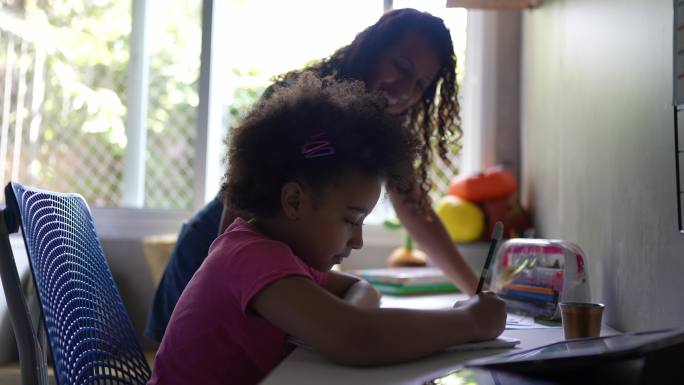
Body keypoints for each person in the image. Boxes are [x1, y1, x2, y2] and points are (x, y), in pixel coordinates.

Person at [147, 73, 506, 385]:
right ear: (294, 201)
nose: (358, 240)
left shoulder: (284, 255)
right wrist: (469, 322)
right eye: (351, 219)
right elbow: (358, 339)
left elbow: (360, 290)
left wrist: (350, 314)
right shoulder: (249, 255)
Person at [145, 7, 480, 343]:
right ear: (374, 48)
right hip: (215, 246)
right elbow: (240, 211)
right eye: (402, 67)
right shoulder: (302, 103)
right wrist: (223, 271)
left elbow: (415, 209)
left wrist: (478, 291)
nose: (406, 87)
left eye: (420, 83)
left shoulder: (381, 130)